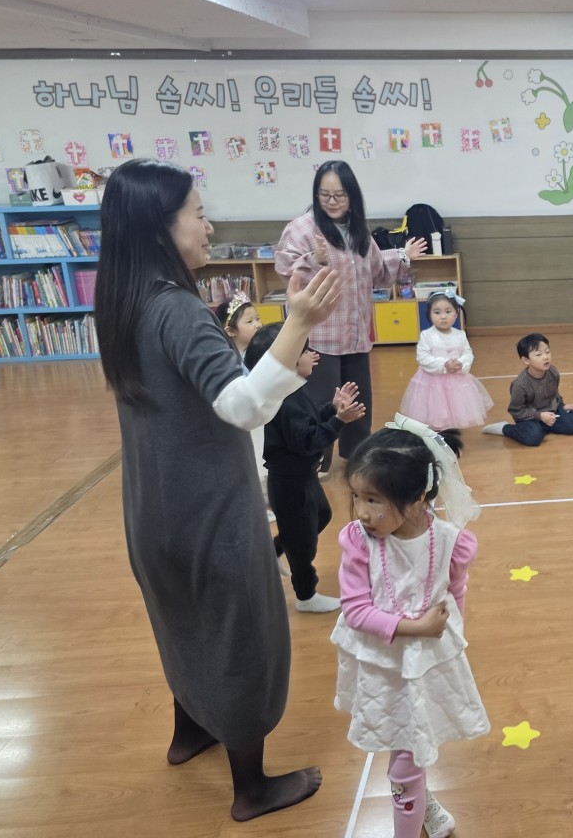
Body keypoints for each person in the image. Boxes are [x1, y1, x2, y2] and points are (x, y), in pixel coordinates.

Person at [93, 157, 342, 821]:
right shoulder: (177, 309)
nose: (209, 227)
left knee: (183, 624)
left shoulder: (120, 302)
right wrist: (297, 323)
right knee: (242, 638)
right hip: (207, 510)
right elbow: (241, 405)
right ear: (159, 227)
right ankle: (251, 787)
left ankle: (190, 730)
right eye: (198, 215)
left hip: (152, 509)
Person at [332, 417, 489, 838]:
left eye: (374, 500)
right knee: (406, 752)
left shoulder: (453, 542)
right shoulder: (359, 540)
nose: (362, 512)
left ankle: (419, 800)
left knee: (411, 752)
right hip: (382, 663)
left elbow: (455, 592)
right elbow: (355, 610)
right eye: (356, 497)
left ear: (418, 498)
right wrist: (417, 628)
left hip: (427, 664)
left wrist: (452, 636)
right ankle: (417, 802)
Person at [275, 160, 425, 471]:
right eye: (325, 195)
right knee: (322, 402)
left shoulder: (358, 231)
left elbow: (377, 272)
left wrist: (403, 255)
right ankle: (317, 461)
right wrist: (312, 259)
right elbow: (285, 269)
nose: (332, 202)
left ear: (352, 196)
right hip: (320, 335)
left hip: (356, 333)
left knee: (357, 401)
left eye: (339, 195)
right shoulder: (302, 228)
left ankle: (357, 455)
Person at [244, 323, 366, 613]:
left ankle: (274, 550)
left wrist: (331, 408)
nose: (312, 355)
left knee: (320, 516)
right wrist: (339, 421)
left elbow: (308, 423)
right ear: (287, 364)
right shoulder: (286, 401)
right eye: (305, 351)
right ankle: (306, 596)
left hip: (301, 477)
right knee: (302, 544)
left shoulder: (292, 391)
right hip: (291, 483)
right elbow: (309, 441)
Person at [398, 291, 494, 430]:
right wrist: (444, 364)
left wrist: (461, 363)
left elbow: (468, 353)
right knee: (436, 407)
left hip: (456, 379)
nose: (443, 316)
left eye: (448, 312)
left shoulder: (460, 335)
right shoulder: (427, 335)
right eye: (437, 312)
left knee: (455, 407)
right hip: (432, 381)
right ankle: (437, 430)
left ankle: (451, 430)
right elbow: (423, 357)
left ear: (456, 313)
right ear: (429, 314)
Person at [216, 292, 274, 521]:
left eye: (257, 318)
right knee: (252, 460)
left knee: (264, 459)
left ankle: (268, 500)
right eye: (249, 321)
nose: (258, 324)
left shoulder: (261, 350)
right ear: (231, 331)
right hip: (245, 421)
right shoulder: (229, 359)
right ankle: (257, 506)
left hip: (262, 418)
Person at [482, 333, 573, 446]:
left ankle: (545, 427)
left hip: (552, 412)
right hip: (530, 418)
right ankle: (505, 428)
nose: (545, 357)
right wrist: (539, 416)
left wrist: (562, 405)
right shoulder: (520, 385)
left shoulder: (553, 372)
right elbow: (516, 411)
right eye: (538, 354)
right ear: (526, 360)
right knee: (532, 437)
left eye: (547, 352)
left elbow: (554, 393)